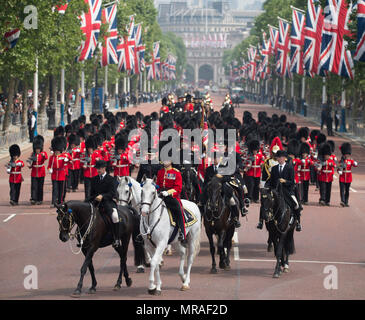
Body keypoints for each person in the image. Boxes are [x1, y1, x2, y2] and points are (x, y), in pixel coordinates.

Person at [266, 150, 302, 232]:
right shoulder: (274, 168)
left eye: (280, 157)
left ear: (284, 158)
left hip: (287, 191)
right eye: (278, 157)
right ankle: (261, 221)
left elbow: (292, 182)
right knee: (265, 202)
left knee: (296, 204)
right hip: (276, 191)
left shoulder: (290, 168)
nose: (279, 159)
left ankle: (298, 223)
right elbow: (271, 181)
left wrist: (285, 181)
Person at [88, 160, 121, 248]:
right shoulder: (94, 179)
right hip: (96, 202)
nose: (98, 170)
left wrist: (102, 196)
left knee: (115, 216)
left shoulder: (111, 179)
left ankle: (117, 238)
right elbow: (91, 194)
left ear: (104, 168)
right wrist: (93, 198)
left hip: (108, 202)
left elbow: (112, 193)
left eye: (100, 168)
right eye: (97, 168)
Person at [156, 160, 188, 247]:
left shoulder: (176, 172)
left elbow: (178, 188)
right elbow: (158, 184)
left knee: (178, 210)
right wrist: (155, 188)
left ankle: (182, 233)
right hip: (161, 195)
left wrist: (168, 192)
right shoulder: (160, 172)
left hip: (172, 197)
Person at [48, 136, 70, 207]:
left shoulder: (64, 156)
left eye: (58, 150)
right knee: (54, 189)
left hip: (62, 174)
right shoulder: (52, 157)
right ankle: (53, 202)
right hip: (54, 174)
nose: (56, 152)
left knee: (61, 190)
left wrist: (67, 160)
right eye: (55, 150)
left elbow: (70, 159)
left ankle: (60, 202)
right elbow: (49, 166)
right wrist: (49, 170)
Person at [28, 135, 48, 205]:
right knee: (34, 186)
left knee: (40, 186)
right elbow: (30, 163)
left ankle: (40, 199)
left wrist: (43, 155)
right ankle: (33, 198)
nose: (37, 150)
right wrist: (29, 165)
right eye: (36, 149)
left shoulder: (43, 153)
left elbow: (46, 158)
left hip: (41, 172)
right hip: (34, 172)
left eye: (38, 149)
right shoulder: (32, 154)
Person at [338, 143, 358, 207]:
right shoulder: (341, 161)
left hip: (348, 177)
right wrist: (339, 171)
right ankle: (342, 201)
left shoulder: (350, 160)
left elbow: (355, 165)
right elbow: (338, 168)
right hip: (342, 177)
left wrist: (355, 162)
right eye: (346, 154)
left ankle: (346, 202)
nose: (347, 155)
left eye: (348, 154)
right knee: (342, 190)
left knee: (347, 190)